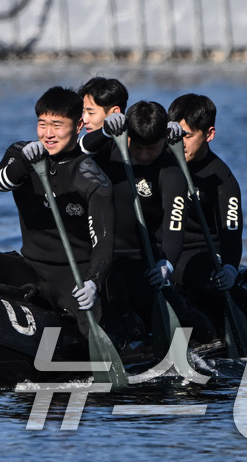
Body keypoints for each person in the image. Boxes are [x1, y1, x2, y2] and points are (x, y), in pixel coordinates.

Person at [0, 86, 115, 338]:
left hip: (74, 277)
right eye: (42, 124)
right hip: (30, 267)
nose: (48, 134)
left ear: (77, 127)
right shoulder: (20, 154)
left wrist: (94, 282)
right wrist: (23, 163)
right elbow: (2, 183)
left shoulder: (92, 177)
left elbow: (104, 243)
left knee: (95, 324)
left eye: (57, 125)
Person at [78, 101, 189, 344]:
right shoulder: (111, 151)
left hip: (144, 263)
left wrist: (167, 264)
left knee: (191, 321)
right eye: (138, 148)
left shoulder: (171, 171)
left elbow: (175, 224)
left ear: (164, 139)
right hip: (100, 258)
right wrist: (105, 131)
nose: (145, 155)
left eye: (153, 148)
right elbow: (79, 150)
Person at [168, 93, 244, 304]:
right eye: (175, 135)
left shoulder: (222, 178)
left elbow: (231, 232)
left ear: (209, 134)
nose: (180, 143)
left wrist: (230, 269)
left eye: (188, 136)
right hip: (164, 250)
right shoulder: (159, 162)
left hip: (200, 253)